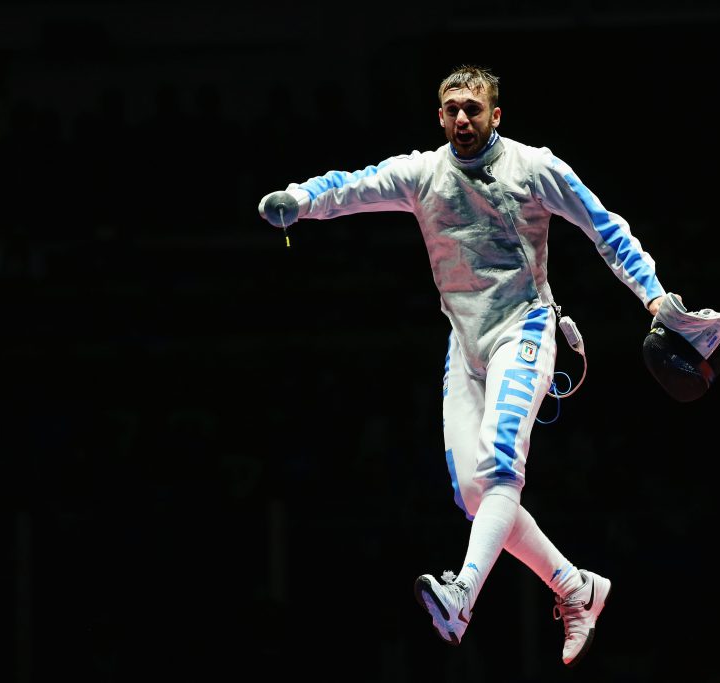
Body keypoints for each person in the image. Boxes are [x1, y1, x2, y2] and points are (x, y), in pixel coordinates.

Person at [258, 64, 671, 667]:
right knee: (476, 495)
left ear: (495, 115)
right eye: (451, 108)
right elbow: (353, 186)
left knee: (501, 464)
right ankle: (577, 589)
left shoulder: (535, 168)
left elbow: (605, 229)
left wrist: (655, 299)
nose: (461, 119)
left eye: (473, 109)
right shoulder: (423, 174)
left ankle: (461, 595)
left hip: (525, 330)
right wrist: (299, 200)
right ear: (440, 115)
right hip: (465, 343)